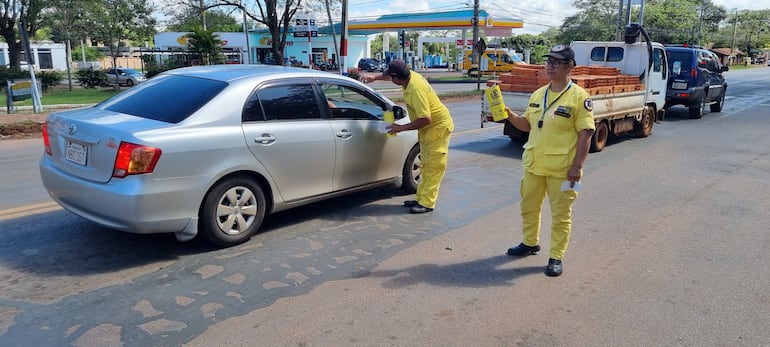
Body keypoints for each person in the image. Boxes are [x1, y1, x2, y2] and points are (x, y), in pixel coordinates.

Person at [502, 45, 595, 276]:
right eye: (549, 62)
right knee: (528, 207)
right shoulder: (538, 94)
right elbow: (528, 124)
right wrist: (510, 116)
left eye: (557, 62)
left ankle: (556, 256)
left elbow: (586, 134)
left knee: (561, 215)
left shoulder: (579, 97)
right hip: (534, 164)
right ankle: (530, 242)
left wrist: (578, 167)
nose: (550, 66)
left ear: (570, 66)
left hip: (562, 169)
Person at [361, 59, 455, 214]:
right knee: (425, 165)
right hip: (427, 129)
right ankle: (420, 198)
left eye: (392, 78)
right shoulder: (407, 76)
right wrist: (374, 77)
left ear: (397, 78)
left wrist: (401, 128)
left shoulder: (416, 89)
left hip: (437, 128)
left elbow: (426, 119)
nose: (390, 80)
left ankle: (427, 203)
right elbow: (387, 73)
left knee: (434, 167)